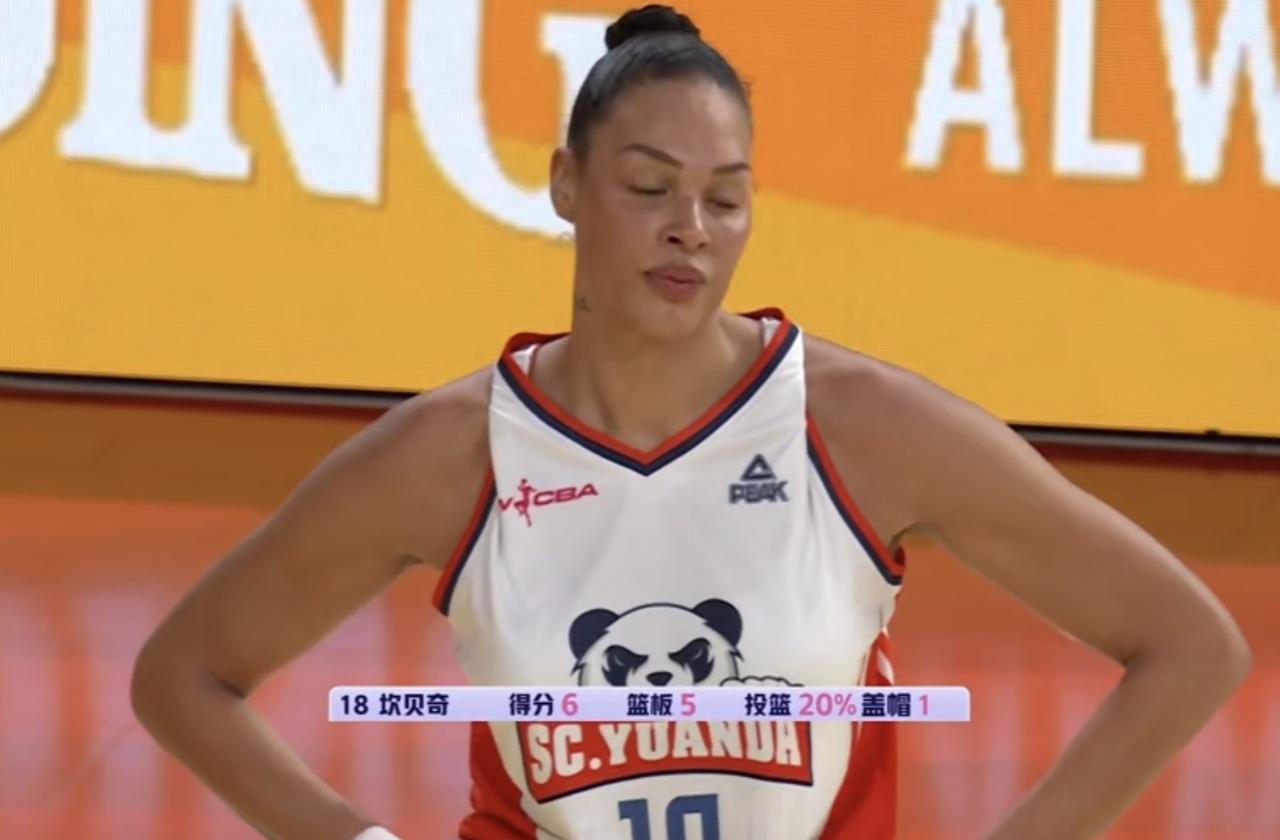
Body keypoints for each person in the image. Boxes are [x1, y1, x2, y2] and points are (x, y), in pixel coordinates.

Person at [130, 5, 1251, 839]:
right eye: (649, 188)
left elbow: (1189, 646)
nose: (691, 230)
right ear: (565, 184)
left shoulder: (861, 427)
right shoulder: (457, 451)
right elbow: (184, 676)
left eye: (725, 196)